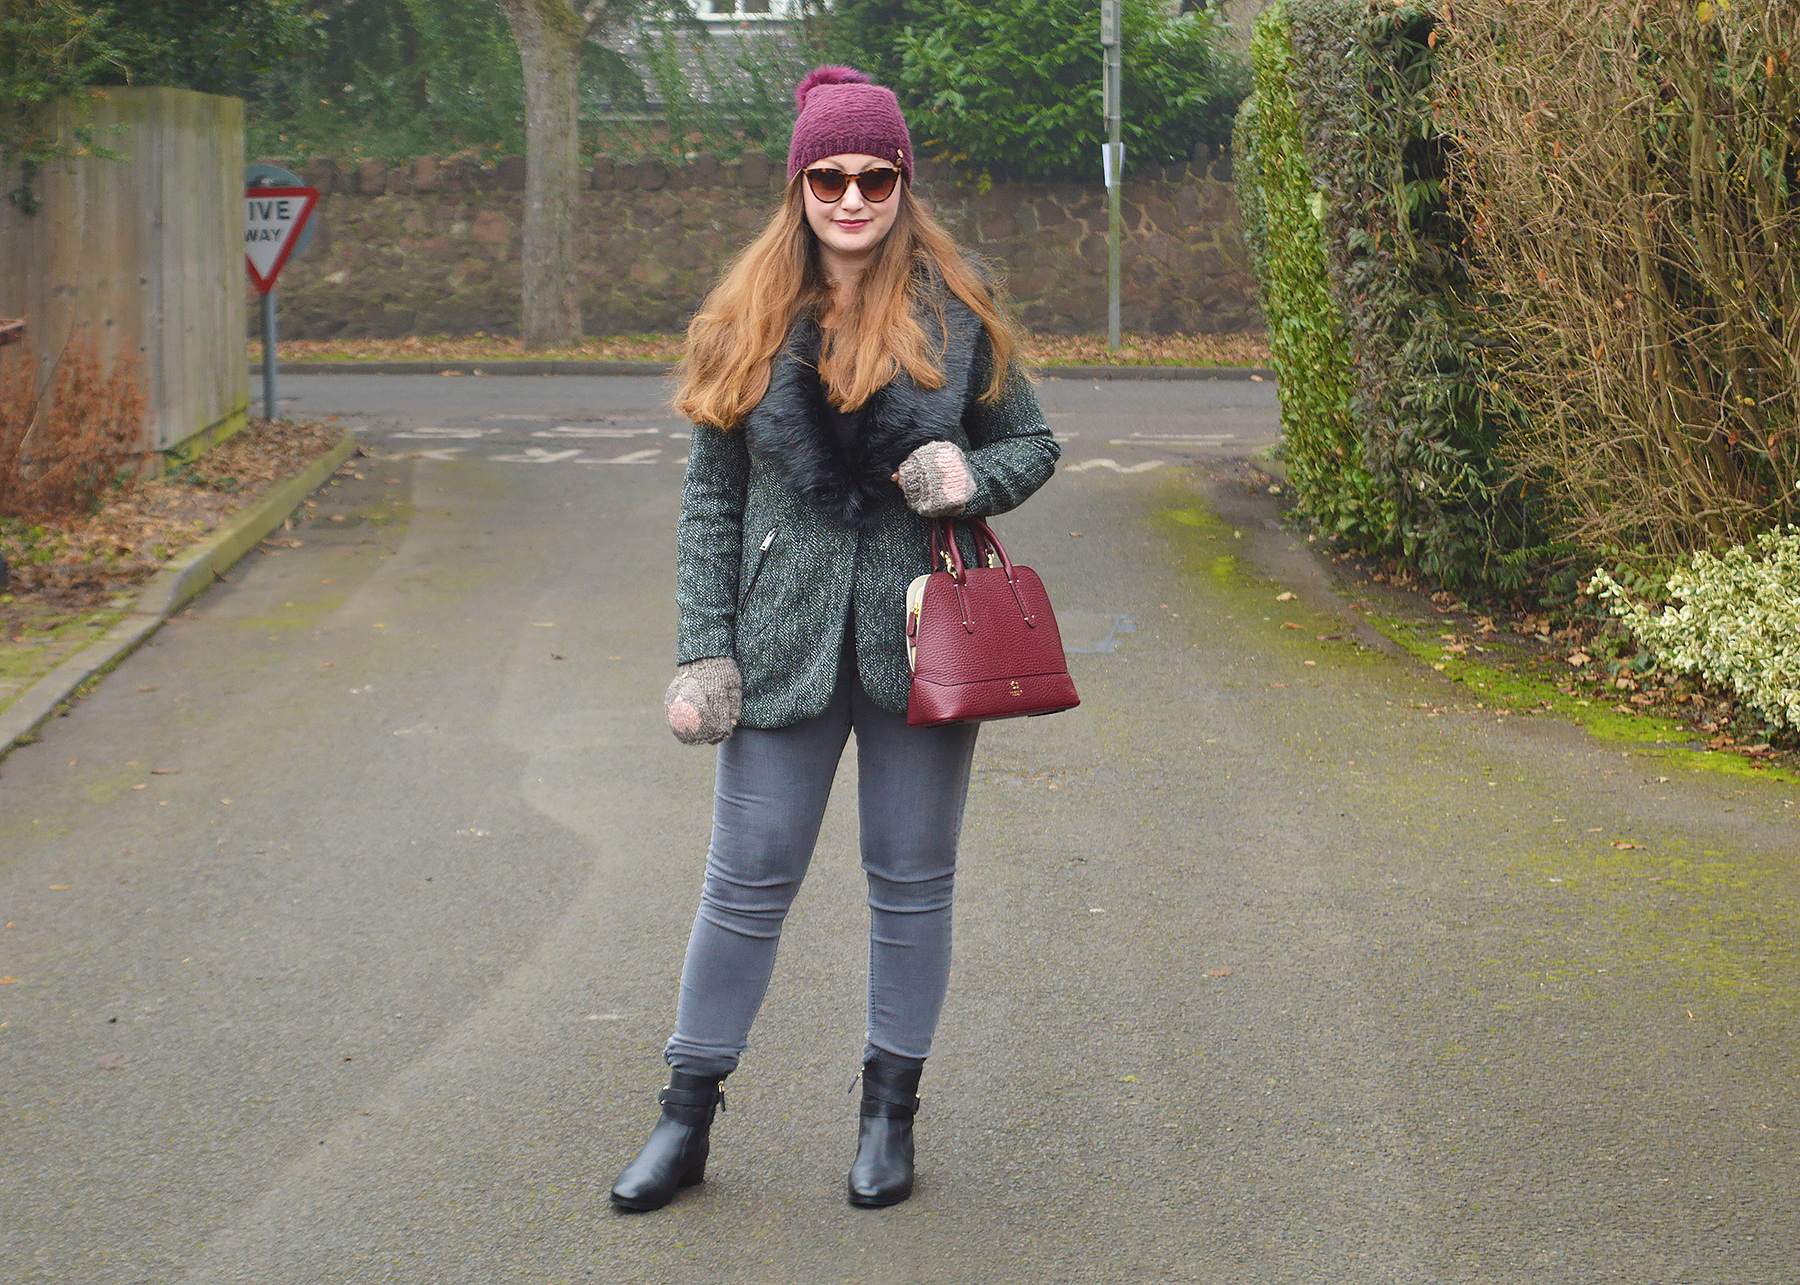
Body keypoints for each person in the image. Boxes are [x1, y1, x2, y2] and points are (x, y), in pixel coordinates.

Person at [609, 65, 1060, 1213]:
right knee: (745, 885)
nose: (851, 197)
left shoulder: (959, 310)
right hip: (779, 642)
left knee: (911, 884)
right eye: (829, 175)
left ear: (902, 181)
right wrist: (704, 648)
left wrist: (970, 472)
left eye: (873, 175)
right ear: (799, 182)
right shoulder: (745, 319)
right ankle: (685, 1117)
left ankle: (888, 1117)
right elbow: (711, 502)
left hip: (926, 644)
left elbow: (1034, 446)